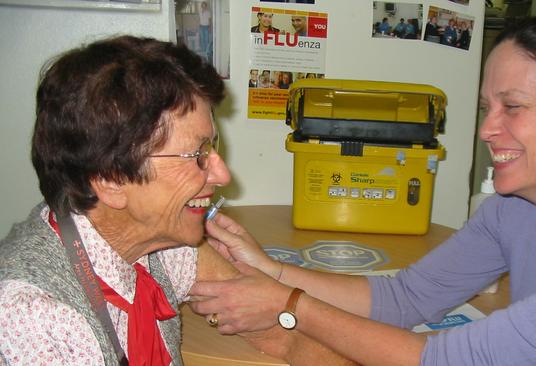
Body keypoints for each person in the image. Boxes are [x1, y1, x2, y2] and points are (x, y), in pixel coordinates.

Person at [189, 14, 536, 365]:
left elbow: (442, 359)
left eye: (513, 107)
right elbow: (406, 298)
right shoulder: (518, 207)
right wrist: (272, 271)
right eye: (488, 107)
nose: (487, 129)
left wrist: (287, 306)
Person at [0, 35, 352, 366]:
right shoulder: (35, 317)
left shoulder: (163, 242)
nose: (222, 175)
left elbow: (281, 335)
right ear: (111, 179)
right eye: (197, 154)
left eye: (212, 147)